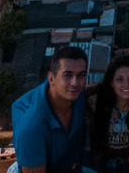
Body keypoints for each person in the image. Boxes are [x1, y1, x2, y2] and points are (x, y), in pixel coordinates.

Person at [12, 45, 88, 173]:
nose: (75, 83)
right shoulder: (32, 129)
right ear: (51, 78)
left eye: (81, 75)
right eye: (67, 75)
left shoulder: (74, 94)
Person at [86, 56, 129, 173]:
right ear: (112, 82)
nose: (126, 84)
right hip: (101, 159)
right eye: (120, 79)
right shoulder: (96, 102)